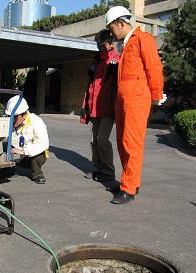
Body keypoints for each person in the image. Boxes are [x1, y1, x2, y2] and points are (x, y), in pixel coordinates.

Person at [105, 6, 167, 204]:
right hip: (123, 100)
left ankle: (129, 188)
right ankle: (128, 180)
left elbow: (154, 68)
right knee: (123, 142)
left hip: (136, 99)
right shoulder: (125, 44)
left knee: (132, 143)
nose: (111, 33)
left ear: (121, 23)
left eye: (111, 28)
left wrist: (156, 95)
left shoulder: (143, 39)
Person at [80, 29, 120, 183]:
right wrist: (86, 107)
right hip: (94, 108)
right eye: (98, 45)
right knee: (94, 141)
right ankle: (97, 168)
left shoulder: (116, 60)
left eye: (103, 45)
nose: (100, 48)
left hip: (109, 109)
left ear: (111, 43)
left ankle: (109, 172)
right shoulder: (96, 62)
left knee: (102, 139)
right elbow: (90, 87)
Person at [5, 95, 49, 184]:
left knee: (38, 154)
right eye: (10, 116)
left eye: (15, 117)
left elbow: (43, 144)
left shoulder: (36, 121)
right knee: (2, 146)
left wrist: (22, 151)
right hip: (16, 154)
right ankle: (8, 170)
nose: (12, 119)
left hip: (30, 155)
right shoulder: (10, 122)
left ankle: (37, 174)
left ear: (24, 114)